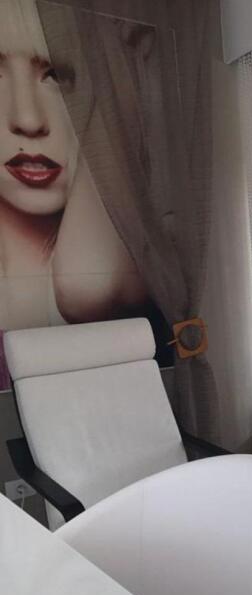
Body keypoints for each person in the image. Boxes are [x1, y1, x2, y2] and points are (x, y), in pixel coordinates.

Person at [0, 0, 153, 390]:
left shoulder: (128, 273)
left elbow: (86, 288)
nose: (27, 120)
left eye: (57, 75)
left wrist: (122, 74)